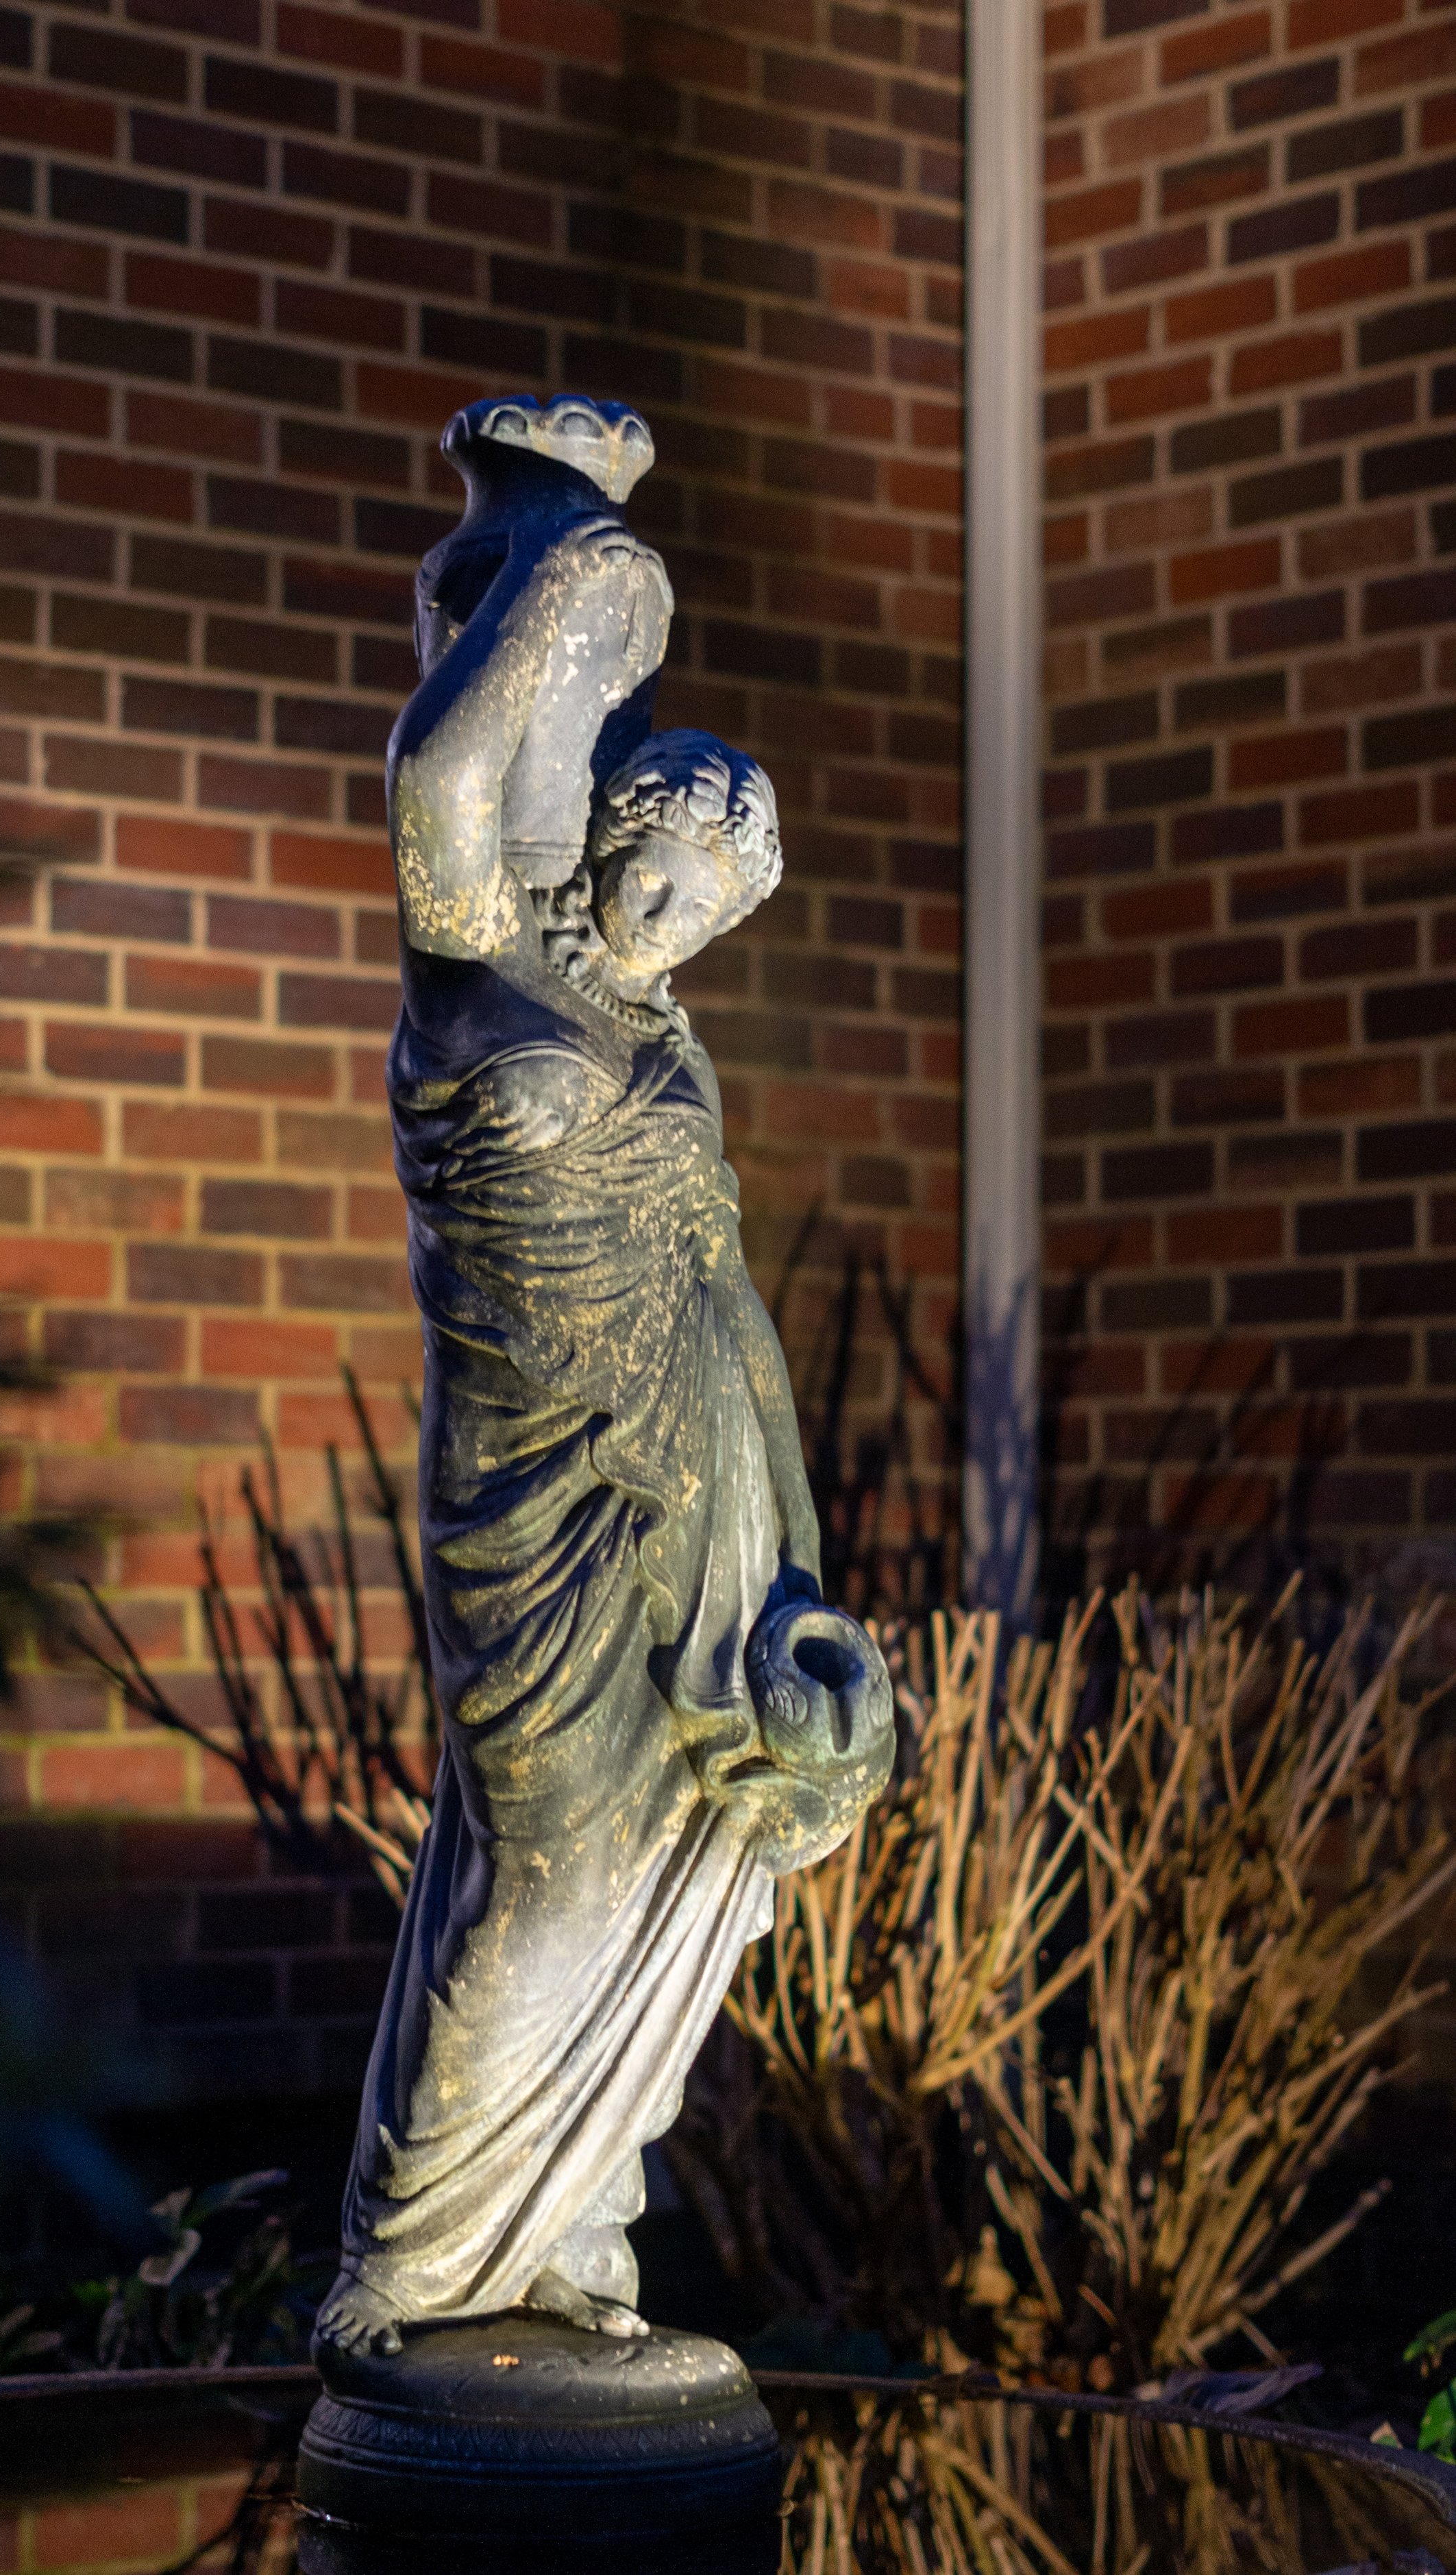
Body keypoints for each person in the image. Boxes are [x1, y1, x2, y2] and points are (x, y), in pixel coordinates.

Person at [316, 499, 889, 2361]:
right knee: (547, 1865)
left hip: (700, 1481)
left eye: (717, 904)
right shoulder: (478, 969)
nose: (680, 915)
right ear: (613, 836)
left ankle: (575, 2221)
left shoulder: (672, 1050)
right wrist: (568, 568)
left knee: (673, 1853)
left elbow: (728, 1295)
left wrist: (794, 1555)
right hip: (538, 1482)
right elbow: (444, 776)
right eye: (663, 869)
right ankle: (409, 2259)